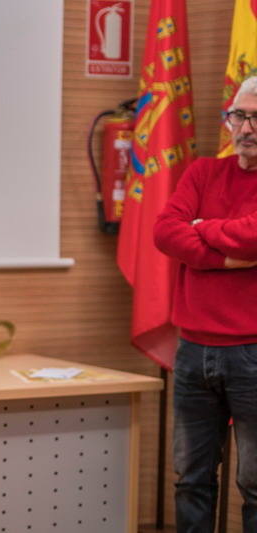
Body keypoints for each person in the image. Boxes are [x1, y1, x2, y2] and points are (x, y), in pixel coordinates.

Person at [154, 76, 257, 532]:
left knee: (254, 482)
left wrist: (203, 228)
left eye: (256, 118)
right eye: (239, 115)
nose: (246, 128)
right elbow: (165, 232)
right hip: (193, 349)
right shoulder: (202, 172)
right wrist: (231, 255)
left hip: (252, 350)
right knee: (191, 478)